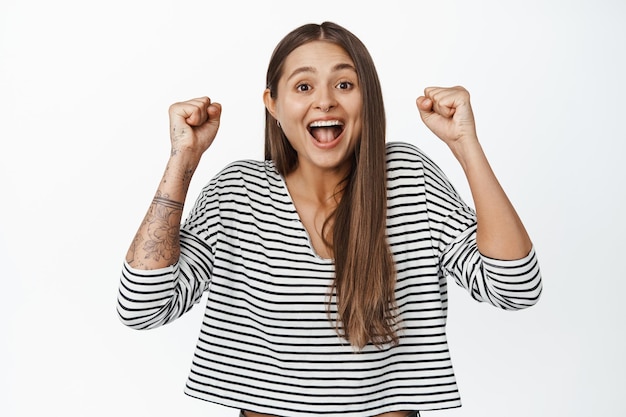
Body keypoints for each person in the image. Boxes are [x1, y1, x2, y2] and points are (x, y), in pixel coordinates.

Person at [117, 21, 542, 417]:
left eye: (344, 83)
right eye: (303, 86)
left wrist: (466, 145)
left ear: (368, 99)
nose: (325, 100)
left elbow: (516, 287)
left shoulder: (410, 180)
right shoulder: (237, 193)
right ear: (274, 105)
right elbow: (141, 307)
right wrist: (183, 158)